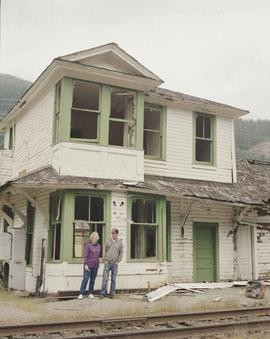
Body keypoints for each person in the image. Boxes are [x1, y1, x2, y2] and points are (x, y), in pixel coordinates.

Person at [99, 228, 123, 299]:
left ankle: (111, 294)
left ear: (117, 234)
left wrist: (118, 261)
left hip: (114, 264)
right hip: (107, 263)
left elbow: (121, 253)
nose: (113, 234)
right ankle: (102, 293)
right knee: (105, 278)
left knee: (113, 279)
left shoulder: (120, 243)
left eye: (114, 233)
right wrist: (104, 259)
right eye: (112, 233)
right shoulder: (108, 241)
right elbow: (104, 251)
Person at [78, 231, 101, 300]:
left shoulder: (99, 246)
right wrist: (85, 265)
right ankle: (81, 293)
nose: (95, 239)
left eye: (96, 238)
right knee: (85, 279)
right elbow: (85, 256)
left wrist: (98, 263)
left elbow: (98, 256)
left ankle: (90, 293)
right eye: (94, 238)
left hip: (95, 266)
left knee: (92, 280)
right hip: (88, 266)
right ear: (91, 238)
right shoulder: (88, 246)